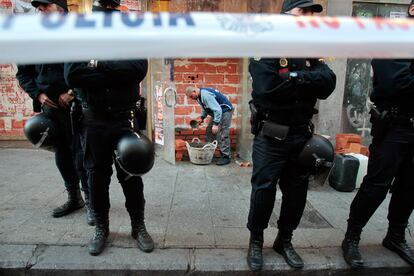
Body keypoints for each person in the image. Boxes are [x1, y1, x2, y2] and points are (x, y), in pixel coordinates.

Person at [246, 0, 336, 271]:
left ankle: (284, 240)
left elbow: (328, 83)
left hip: (301, 136)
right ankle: (256, 240)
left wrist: (293, 76)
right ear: (285, 15)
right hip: (272, 134)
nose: (308, 17)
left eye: (312, 13)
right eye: (302, 11)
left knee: (297, 193)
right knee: (263, 190)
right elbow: (267, 89)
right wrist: (306, 74)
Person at [64, 0, 154, 256]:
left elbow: (138, 69)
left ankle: (138, 226)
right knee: (96, 177)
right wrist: (116, 71)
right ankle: (101, 228)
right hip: (93, 121)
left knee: (131, 174)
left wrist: (97, 64)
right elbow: (72, 75)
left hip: (124, 119)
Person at [342, 1, 414, 268]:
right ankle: (352, 236)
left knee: (410, 186)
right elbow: (397, 82)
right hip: (395, 124)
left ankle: (395, 236)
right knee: (376, 186)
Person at [16, 0, 93, 224]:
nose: (40, 11)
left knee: (81, 153)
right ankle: (74, 197)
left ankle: (91, 201)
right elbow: (23, 74)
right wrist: (38, 95)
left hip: (75, 105)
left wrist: (72, 91)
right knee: (62, 154)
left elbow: (91, 66)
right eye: (38, 8)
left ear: (60, 7)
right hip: (50, 108)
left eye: (45, 6)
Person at [185, 86, 233, 166]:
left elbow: (217, 110)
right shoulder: (199, 97)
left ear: (194, 91)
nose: (191, 98)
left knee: (222, 133)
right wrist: (202, 117)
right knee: (209, 131)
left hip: (225, 111)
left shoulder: (205, 95)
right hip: (217, 112)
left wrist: (216, 124)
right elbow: (205, 107)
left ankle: (226, 156)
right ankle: (209, 151)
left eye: (191, 96)